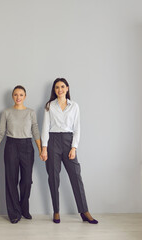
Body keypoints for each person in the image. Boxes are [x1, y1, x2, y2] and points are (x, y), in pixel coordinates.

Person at [40, 78, 98, 224]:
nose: (60, 89)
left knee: (76, 176)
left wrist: (74, 147)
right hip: (52, 141)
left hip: (68, 140)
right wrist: (44, 148)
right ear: (54, 90)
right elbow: (45, 128)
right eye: (57, 87)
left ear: (67, 88)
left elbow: (77, 128)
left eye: (62, 87)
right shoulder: (49, 106)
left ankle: (84, 211)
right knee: (53, 177)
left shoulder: (74, 106)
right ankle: (56, 211)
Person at [0, 85, 42, 224]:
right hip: (11, 146)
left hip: (27, 146)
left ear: (25, 96)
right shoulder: (6, 112)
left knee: (26, 181)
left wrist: (41, 149)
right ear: (12, 96)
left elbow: (36, 131)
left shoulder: (31, 112)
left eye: (21, 95)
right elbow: (0, 132)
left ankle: (24, 208)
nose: (18, 97)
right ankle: (14, 213)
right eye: (15, 95)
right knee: (11, 180)